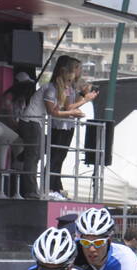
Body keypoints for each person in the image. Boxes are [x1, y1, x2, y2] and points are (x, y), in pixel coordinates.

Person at [42, 56, 97, 201]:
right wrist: (86, 99)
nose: (80, 72)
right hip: (59, 125)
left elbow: (71, 104)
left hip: (68, 125)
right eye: (78, 69)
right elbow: (68, 107)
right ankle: (48, 188)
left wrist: (82, 95)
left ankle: (55, 186)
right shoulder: (59, 86)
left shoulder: (70, 86)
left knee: (61, 157)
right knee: (55, 157)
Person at [6, 71, 45, 199]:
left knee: (34, 153)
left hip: (19, 130)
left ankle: (21, 161)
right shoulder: (12, 97)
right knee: (32, 154)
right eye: (26, 85)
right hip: (12, 131)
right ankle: (30, 189)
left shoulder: (22, 99)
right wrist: (18, 127)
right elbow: (9, 115)